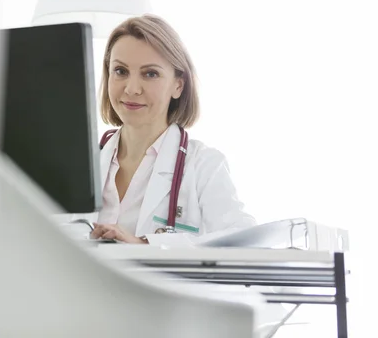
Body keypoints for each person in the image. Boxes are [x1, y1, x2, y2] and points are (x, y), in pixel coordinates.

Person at [90, 14, 256, 246]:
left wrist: (146, 244)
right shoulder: (83, 164)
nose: (132, 88)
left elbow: (243, 239)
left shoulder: (204, 166)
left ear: (178, 85)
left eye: (150, 74)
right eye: (120, 71)